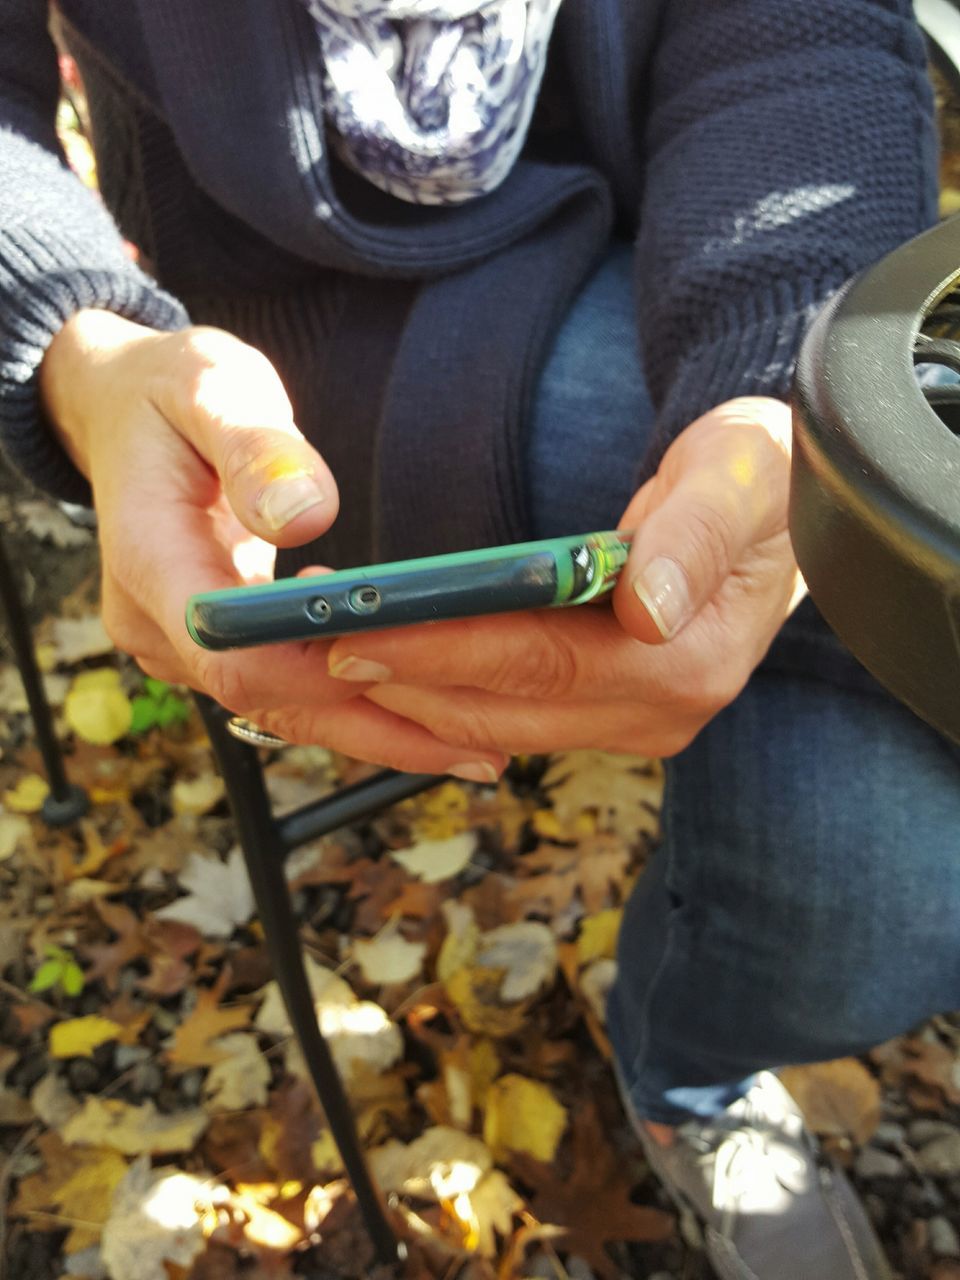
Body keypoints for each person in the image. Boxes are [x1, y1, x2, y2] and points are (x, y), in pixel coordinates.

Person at [2, 1, 958, 1276]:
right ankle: (687, 1080)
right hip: (298, 362)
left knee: (873, 874)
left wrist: (778, 372)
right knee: (883, 880)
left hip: (680, 241)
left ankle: (687, 1071)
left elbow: (798, 32)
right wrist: (74, 342)